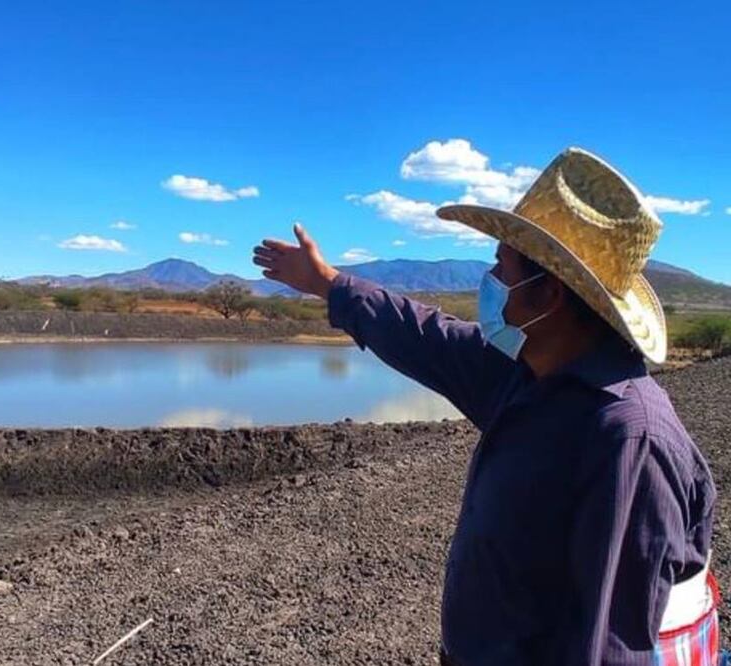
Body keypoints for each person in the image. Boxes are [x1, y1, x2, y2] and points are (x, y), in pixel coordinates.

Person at [252, 148, 718, 665]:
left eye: (502, 267)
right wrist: (329, 284)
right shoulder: (527, 373)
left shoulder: (627, 439)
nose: (490, 282)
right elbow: (428, 336)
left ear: (551, 295)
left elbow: (607, 643)